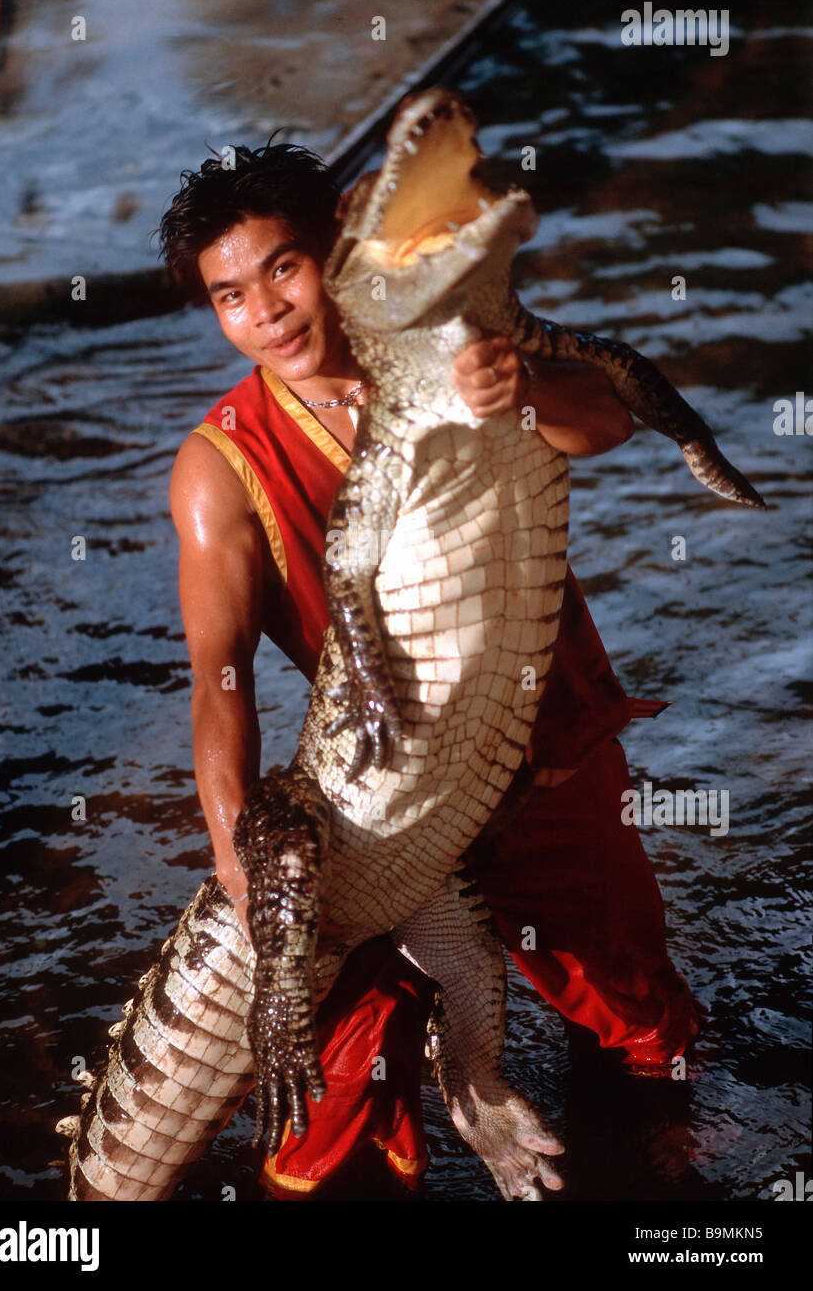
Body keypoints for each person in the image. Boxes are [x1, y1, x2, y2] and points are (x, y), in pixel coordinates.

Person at [159, 140, 704, 1198]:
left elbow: (607, 418)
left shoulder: (449, 350)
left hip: (543, 754)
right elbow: (217, 676)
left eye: (284, 267)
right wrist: (242, 863)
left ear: (340, 255)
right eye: (229, 294)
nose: (264, 310)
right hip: (381, 811)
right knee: (332, 1110)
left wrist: (522, 394)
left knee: (636, 1026)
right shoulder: (217, 466)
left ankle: (668, 1194)